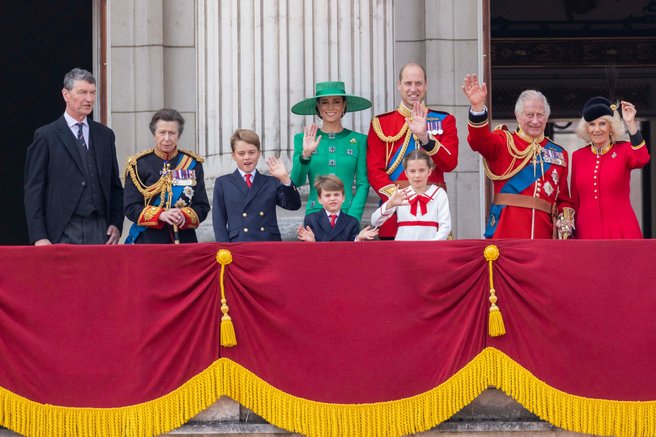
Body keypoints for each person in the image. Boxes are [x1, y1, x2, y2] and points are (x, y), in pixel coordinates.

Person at [462, 73, 573, 239]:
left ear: (547, 117)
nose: (535, 121)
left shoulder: (559, 153)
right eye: (529, 115)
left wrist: (565, 222)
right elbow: (479, 141)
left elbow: (563, 199)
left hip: (543, 236)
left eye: (540, 115)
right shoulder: (503, 141)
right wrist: (478, 108)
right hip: (506, 233)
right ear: (518, 116)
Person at [24, 68, 124, 245]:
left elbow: (114, 185)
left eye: (92, 92)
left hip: (100, 229)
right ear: (66, 94)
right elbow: (34, 190)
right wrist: (39, 236)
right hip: (62, 229)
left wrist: (116, 223)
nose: (89, 99)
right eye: (82, 92)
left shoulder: (105, 135)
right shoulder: (46, 136)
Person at [367, 63, 458, 239]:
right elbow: (374, 170)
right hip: (395, 213)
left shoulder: (444, 120)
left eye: (419, 83)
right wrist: (398, 199)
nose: (413, 89)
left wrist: (425, 138)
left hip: (433, 211)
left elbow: (450, 163)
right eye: (408, 83)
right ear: (399, 85)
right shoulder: (381, 123)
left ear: (426, 85)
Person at [124, 108, 210, 244]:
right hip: (149, 240)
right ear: (154, 134)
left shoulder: (193, 164)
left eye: (172, 133)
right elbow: (131, 207)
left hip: (184, 240)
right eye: (162, 132)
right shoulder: (139, 164)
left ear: (179, 135)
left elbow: (202, 206)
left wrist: (184, 215)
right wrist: (161, 215)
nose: (167, 138)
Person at [290, 81, 371, 221]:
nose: (331, 107)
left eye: (336, 101)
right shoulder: (302, 139)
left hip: (347, 214)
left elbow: (363, 184)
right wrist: (306, 154)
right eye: (325, 102)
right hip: (315, 215)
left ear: (344, 105)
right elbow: (296, 181)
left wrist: (353, 218)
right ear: (318, 107)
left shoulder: (359, 140)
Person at [570, 98, 649, 239]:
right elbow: (575, 199)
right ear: (586, 129)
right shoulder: (578, 156)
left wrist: (631, 124)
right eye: (592, 124)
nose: (597, 129)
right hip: (587, 231)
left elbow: (642, 159)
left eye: (602, 124)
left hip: (621, 229)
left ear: (611, 127)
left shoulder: (623, 150)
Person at [213, 129, 301, 242]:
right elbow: (219, 221)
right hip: (239, 244)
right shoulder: (223, 183)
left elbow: (293, 205)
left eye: (251, 152)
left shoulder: (271, 182)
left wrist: (285, 178)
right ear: (233, 155)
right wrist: (224, 248)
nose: (247, 157)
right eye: (241, 153)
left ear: (259, 154)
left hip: (268, 243)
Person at [371, 150, 451, 240]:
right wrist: (390, 204)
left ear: (429, 171)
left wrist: (432, 247)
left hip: (430, 250)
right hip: (403, 250)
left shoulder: (439, 194)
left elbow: (445, 226)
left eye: (422, 170)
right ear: (406, 173)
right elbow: (375, 221)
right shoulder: (401, 194)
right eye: (412, 171)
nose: (417, 175)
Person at [297, 175, 378, 242]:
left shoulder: (352, 222)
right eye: (327, 195)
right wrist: (311, 242)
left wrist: (359, 238)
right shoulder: (311, 219)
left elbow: (353, 252)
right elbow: (308, 253)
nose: (332, 198)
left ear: (343, 197)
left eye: (336, 194)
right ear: (319, 199)